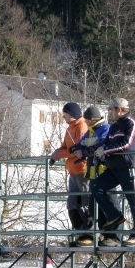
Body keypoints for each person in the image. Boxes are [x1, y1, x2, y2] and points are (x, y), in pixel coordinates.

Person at [91, 98, 135, 247]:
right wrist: (101, 151)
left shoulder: (131, 123)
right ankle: (114, 215)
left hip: (129, 166)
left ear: (119, 109)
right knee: (96, 186)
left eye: (112, 110)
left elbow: (127, 144)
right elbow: (107, 142)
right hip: (114, 167)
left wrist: (105, 150)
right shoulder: (114, 127)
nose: (111, 113)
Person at [71, 106, 117, 247]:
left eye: (86, 119)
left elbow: (100, 145)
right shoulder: (91, 131)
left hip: (104, 172)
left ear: (91, 119)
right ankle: (105, 235)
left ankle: (114, 237)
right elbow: (85, 143)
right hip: (94, 172)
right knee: (92, 207)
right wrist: (77, 148)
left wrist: (83, 152)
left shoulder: (104, 129)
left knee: (109, 204)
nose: (84, 122)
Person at [50, 102, 90, 239]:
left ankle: (88, 234)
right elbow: (65, 147)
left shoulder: (82, 126)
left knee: (85, 202)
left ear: (72, 114)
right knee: (72, 203)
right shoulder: (69, 129)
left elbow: (77, 149)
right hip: (72, 171)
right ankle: (79, 232)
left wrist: (61, 154)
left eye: (65, 113)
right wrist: (57, 153)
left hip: (82, 170)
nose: (63, 117)